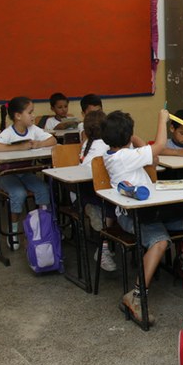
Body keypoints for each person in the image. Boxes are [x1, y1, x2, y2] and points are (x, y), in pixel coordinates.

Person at [101, 109, 183, 322]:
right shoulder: (123, 157)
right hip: (133, 215)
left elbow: (152, 159)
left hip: (152, 209)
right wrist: (162, 119)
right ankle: (135, 296)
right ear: (127, 137)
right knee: (160, 242)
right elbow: (159, 146)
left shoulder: (120, 153)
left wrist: (134, 140)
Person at [0, 96, 57, 250]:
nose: (33, 116)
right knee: (18, 193)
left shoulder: (33, 129)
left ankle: (44, 227)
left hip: (25, 173)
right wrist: (18, 147)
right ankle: (13, 231)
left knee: (43, 189)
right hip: (7, 174)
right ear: (18, 116)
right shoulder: (9, 132)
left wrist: (38, 144)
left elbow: (52, 140)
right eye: (30, 112)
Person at [78, 110, 116, 271]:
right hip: (96, 191)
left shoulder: (87, 144)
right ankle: (103, 248)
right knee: (112, 207)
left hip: (86, 190)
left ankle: (104, 243)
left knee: (112, 205)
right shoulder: (107, 145)